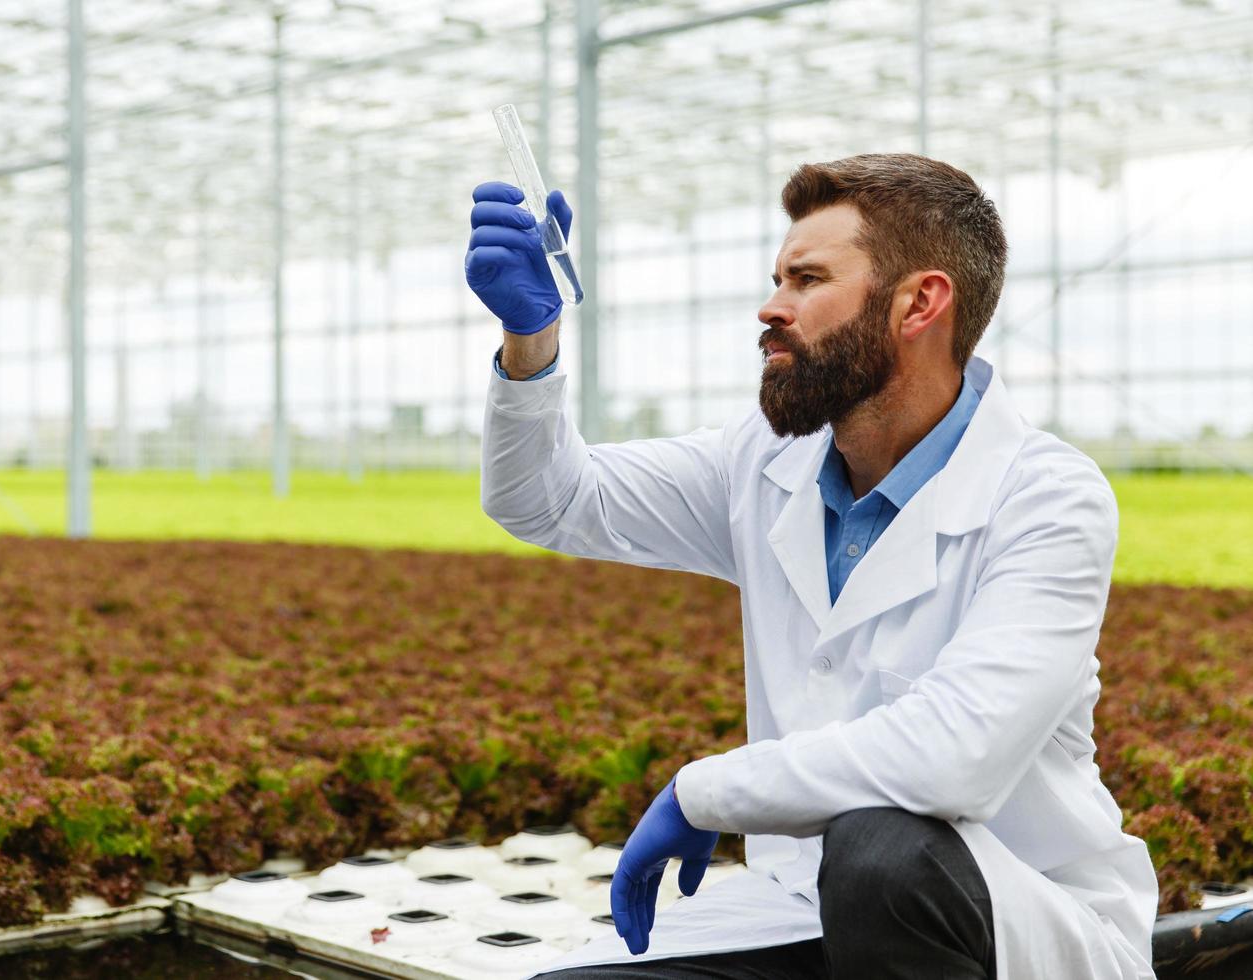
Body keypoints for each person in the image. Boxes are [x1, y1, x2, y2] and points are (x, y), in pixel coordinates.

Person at [465, 153, 1158, 980]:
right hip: (801, 910)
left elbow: (952, 758)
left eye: (806, 280)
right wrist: (529, 342)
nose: (771, 307)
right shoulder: (761, 464)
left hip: (1000, 926)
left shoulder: (1046, 498)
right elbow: (548, 500)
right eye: (777, 278)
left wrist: (704, 793)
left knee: (883, 848)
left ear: (920, 304)